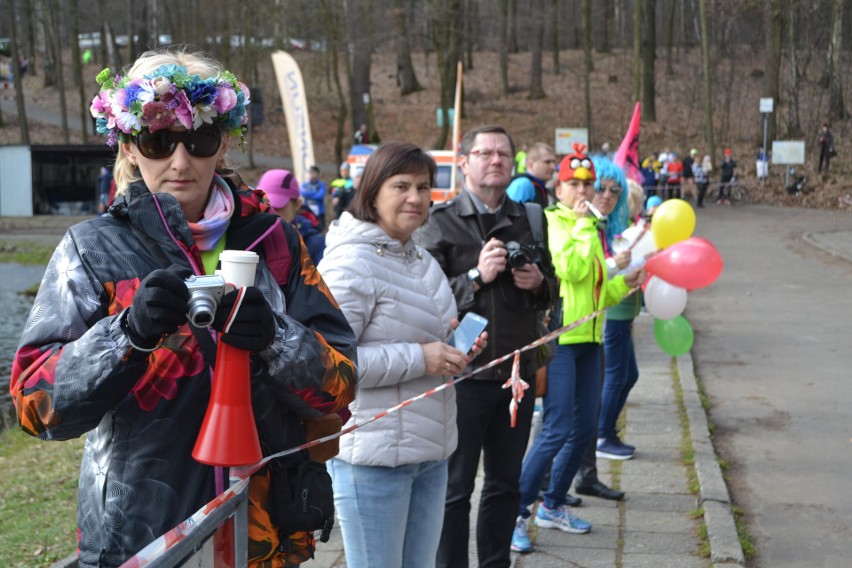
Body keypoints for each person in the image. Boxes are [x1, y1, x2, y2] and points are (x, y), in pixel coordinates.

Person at [10, 48, 357, 568]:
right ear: (128, 148)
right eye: (157, 140)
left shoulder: (277, 242)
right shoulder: (92, 248)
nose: (180, 161)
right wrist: (125, 335)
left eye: (198, 140)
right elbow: (34, 406)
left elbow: (341, 386)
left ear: (221, 145)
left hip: (263, 536)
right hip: (145, 541)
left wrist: (277, 339)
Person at [318, 142, 486, 568]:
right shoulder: (350, 263)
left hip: (430, 452)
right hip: (373, 459)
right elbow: (328, 364)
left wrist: (454, 350)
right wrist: (422, 357)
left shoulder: (421, 259)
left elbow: (425, 338)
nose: (415, 197)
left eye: (424, 187)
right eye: (402, 186)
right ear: (372, 192)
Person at [420, 125, 558, 568]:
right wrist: (477, 277)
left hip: (515, 375)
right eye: (484, 152)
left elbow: (554, 293)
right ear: (465, 163)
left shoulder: (531, 218)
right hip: (463, 376)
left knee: (506, 484)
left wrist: (540, 284)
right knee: (455, 487)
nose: (495, 160)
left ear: (513, 163)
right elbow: (425, 299)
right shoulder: (438, 222)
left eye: (503, 153)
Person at [511, 146, 644, 554]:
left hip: (591, 339)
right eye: (575, 184)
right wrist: (586, 226)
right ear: (559, 188)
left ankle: (552, 504)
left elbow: (595, 288)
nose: (584, 190)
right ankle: (515, 512)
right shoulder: (554, 223)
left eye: (589, 183)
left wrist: (626, 282)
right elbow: (570, 269)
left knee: (585, 428)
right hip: (561, 343)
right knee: (556, 430)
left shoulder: (592, 226)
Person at [256, 168, 326, 265]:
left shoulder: (314, 244)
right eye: (264, 205)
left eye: (277, 205)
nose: (270, 212)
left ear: (297, 204)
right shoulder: (251, 240)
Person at [506, 142, 557, 207]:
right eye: (547, 162)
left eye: (554, 162)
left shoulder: (539, 186)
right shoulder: (523, 184)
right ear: (530, 165)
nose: (553, 167)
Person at [300, 165, 327, 230]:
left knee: (320, 229)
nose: (312, 174)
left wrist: (309, 194)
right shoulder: (305, 184)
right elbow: (302, 193)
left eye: (313, 172)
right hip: (308, 210)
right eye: (310, 172)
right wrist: (315, 193)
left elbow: (320, 196)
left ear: (317, 174)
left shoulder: (321, 184)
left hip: (319, 211)